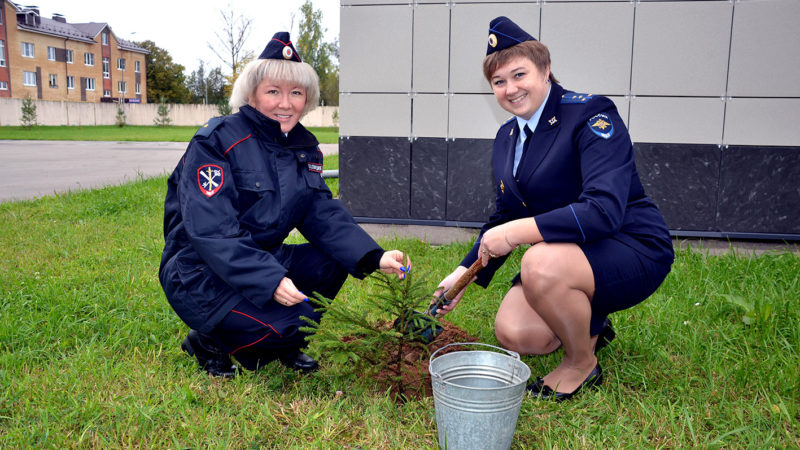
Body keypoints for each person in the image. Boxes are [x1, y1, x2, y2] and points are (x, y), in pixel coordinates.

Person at [434, 17, 674, 400]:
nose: (510, 89)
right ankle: (590, 321)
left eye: (519, 74)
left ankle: (581, 362)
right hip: (567, 256)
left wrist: (515, 235)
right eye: (499, 82)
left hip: (630, 244)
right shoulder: (506, 136)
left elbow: (603, 211)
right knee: (515, 332)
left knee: (537, 263)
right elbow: (505, 216)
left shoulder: (590, 115)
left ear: (545, 69)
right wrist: (463, 273)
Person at [158, 32, 409, 378]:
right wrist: (270, 280)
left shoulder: (304, 149)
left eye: (295, 93)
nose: (285, 103)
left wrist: (373, 256)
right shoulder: (216, 141)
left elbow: (320, 213)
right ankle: (209, 341)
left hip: (262, 257)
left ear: (307, 99)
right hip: (198, 272)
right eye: (273, 91)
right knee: (285, 327)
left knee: (333, 261)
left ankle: (284, 340)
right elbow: (212, 231)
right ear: (252, 94)